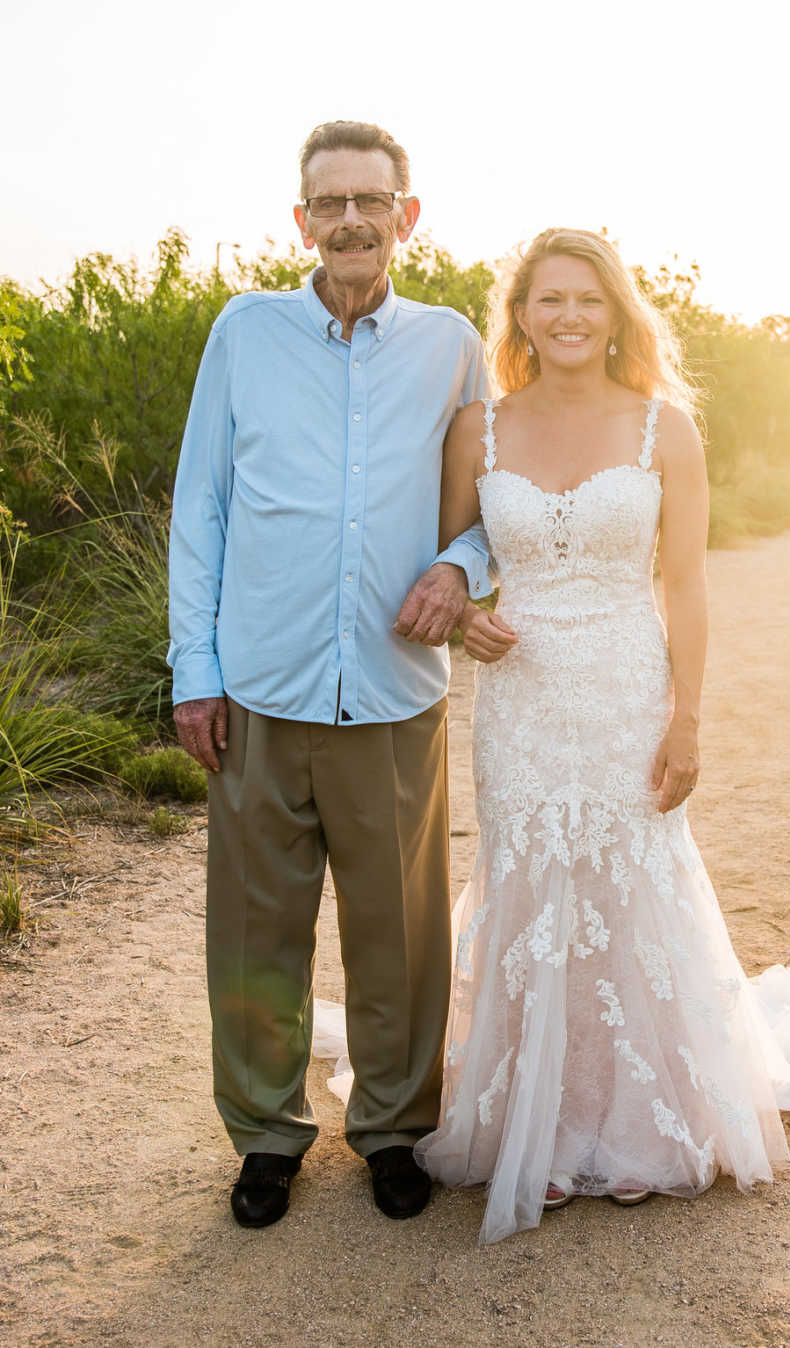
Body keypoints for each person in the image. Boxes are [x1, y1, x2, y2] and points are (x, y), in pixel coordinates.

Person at [411, 228, 790, 1245]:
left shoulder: (663, 427)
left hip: (627, 684)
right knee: (534, 881)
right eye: (549, 300)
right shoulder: (478, 431)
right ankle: (531, 1122)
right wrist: (463, 615)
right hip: (524, 698)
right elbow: (453, 560)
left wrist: (690, 717)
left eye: (588, 299)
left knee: (631, 879)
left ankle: (635, 1120)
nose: (569, 316)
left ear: (617, 312)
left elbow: (685, 582)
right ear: (523, 316)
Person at [167, 120, 492, 1228]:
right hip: (260, 686)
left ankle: (395, 1128)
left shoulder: (451, 344)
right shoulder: (243, 334)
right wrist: (194, 668)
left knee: (400, 928)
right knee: (258, 926)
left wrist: (457, 566)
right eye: (328, 203)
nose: (350, 220)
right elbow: (199, 507)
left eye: (371, 200)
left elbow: (490, 508)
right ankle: (266, 1133)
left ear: (408, 215)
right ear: (299, 219)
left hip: (397, 691)